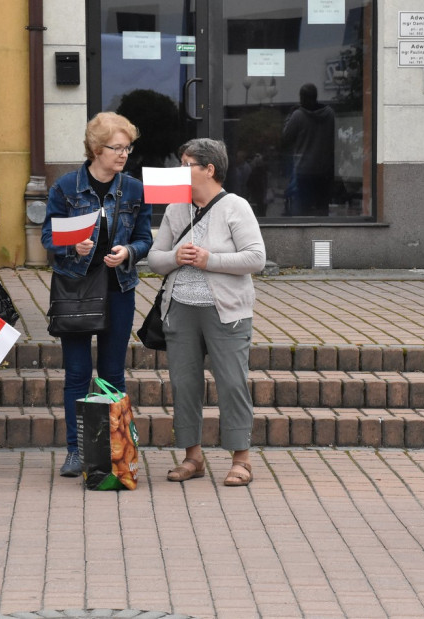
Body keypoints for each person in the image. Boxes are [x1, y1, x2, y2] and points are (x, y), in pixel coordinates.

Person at [147, 138, 266, 486]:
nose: (180, 170)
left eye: (187, 164)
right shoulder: (175, 208)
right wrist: (174, 258)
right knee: (185, 385)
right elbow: (155, 258)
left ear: (209, 169)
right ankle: (192, 458)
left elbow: (255, 258)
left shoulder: (235, 207)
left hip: (226, 311)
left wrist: (209, 260)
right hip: (180, 309)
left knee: (231, 383)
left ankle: (240, 459)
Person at [41, 112, 153, 478]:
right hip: (75, 289)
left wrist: (129, 253)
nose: (124, 154)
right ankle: (76, 451)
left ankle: (114, 456)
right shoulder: (66, 187)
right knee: (76, 373)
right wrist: (75, 247)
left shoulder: (134, 188)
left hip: (119, 289)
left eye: (128, 147)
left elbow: (144, 237)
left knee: (111, 374)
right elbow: (48, 238)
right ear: (95, 148)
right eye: (116, 147)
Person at [282, 83, 336, 215]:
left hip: (304, 170)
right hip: (325, 169)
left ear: (303, 98)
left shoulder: (298, 115)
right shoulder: (329, 114)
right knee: (322, 208)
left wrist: (290, 115)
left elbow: (285, 137)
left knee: (304, 210)